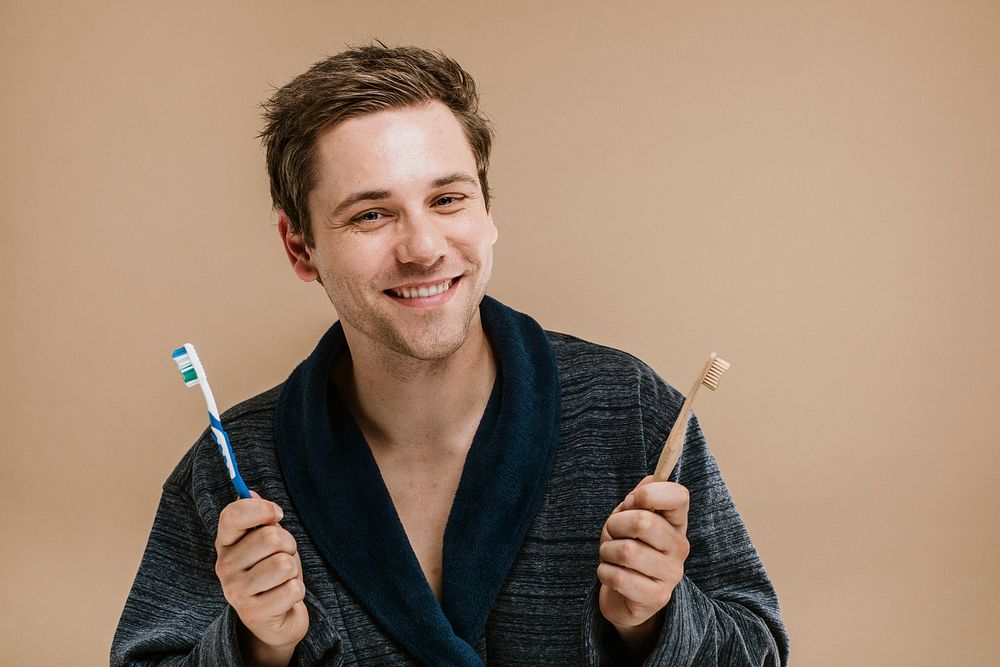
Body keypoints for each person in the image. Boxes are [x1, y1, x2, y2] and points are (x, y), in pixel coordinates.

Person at [112, 44, 788, 666]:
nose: (424, 246)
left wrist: (654, 621)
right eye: (371, 214)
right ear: (299, 245)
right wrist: (255, 648)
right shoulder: (236, 468)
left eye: (447, 199)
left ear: (488, 213)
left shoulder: (632, 413)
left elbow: (759, 648)